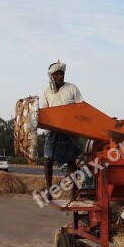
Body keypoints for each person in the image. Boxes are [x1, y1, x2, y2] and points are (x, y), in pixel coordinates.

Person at [41, 61, 83, 196]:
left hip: (70, 130)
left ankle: (73, 191)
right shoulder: (46, 92)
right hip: (52, 131)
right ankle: (49, 190)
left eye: (62, 74)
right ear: (51, 76)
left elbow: (81, 108)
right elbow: (44, 112)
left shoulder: (72, 88)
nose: (60, 76)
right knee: (48, 161)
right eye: (57, 74)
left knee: (71, 161)